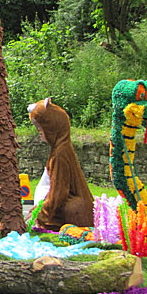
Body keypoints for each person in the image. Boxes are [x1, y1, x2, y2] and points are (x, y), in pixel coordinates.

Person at [27, 98, 94, 230]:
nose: (39, 131)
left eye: (42, 127)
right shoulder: (59, 149)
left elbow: (59, 192)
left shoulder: (60, 154)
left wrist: (41, 214)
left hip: (73, 215)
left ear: (52, 128)